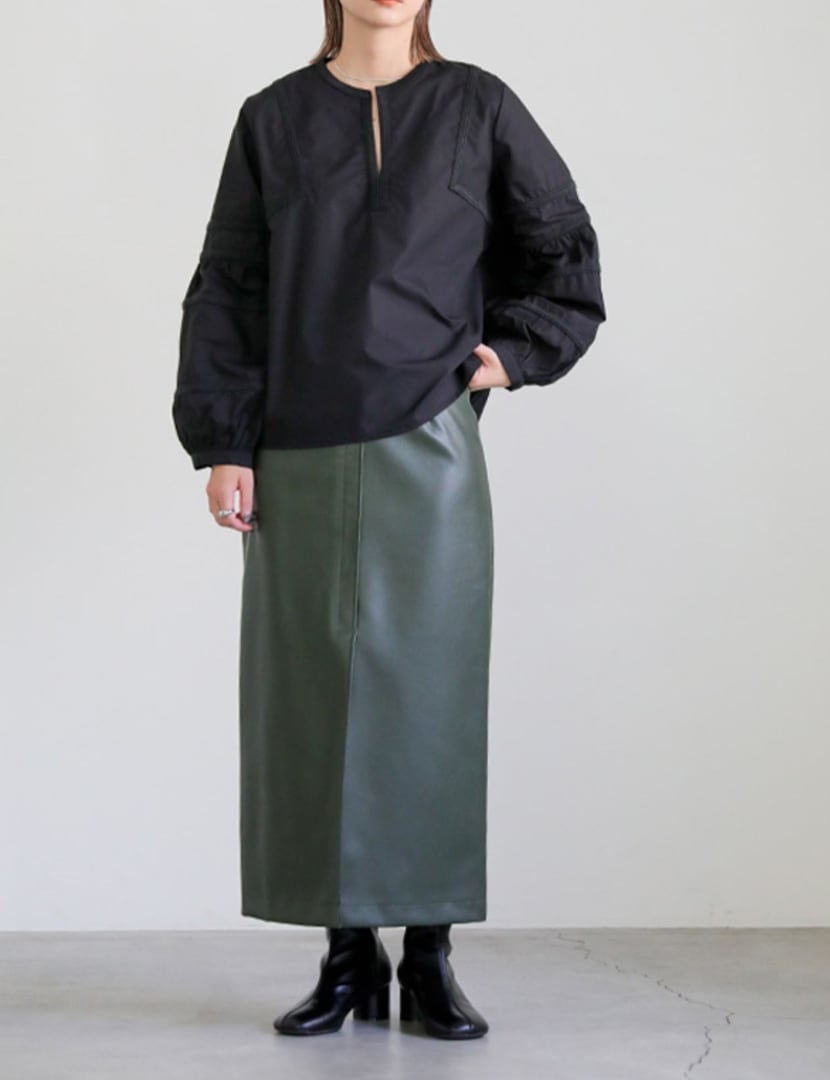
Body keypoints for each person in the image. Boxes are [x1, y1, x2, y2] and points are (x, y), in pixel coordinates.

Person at [172, 0, 606, 1042]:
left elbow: (562, 249)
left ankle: (430, 954)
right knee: (311, 702)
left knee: (433, 702)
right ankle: (346, 955)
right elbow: (229, 286)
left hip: (431, 445)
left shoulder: (478, 107)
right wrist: (225, 442)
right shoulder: (272, 119)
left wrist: (510, 355)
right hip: (297, 447)